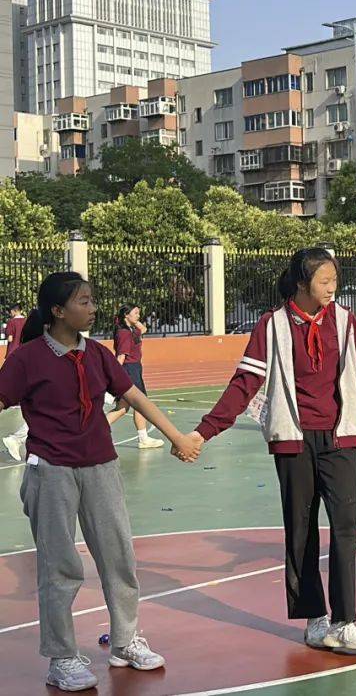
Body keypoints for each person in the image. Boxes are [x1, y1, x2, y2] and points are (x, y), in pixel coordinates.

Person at [190, 248, 356, 653]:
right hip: (292, 441)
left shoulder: (344, 322)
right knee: (302, 530)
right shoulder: (272, 325)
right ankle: (315, 619)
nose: (333, 289)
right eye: (324, 282)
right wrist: (204, 432)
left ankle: (346, 621)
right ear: (301, 283)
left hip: (339, 438)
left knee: (346, 527)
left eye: (335, 282)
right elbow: (244, 384)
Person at [0, 272, 199, 691]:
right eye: (84, 302)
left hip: (101, 467)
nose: (93, 308)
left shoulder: (98, 354)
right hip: (50, 471)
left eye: (92, 300)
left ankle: (125, 642)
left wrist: (177, 437)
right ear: (58, 311)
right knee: (59, 567)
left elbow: (134, 397)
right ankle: (61, 657)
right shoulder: (27, 359)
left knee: (119, 559)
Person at [105, 304, 164, 449]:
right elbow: (120, 357)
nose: (139, 316)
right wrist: (114, 379)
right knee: (140, 404)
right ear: (126, 315)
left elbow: (143, 329)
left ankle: (94, 430)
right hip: (129, 370)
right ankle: (143, 439)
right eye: (136, 313)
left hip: (134, 369)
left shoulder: (131, 330)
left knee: (123, 408)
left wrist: (133, 320)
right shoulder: (124, 333)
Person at [2, 302, 29, 461]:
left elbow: (10, 337)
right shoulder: (26, 321)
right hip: (25, 353)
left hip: (13, 353)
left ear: (14, 311)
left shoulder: (12, 322)